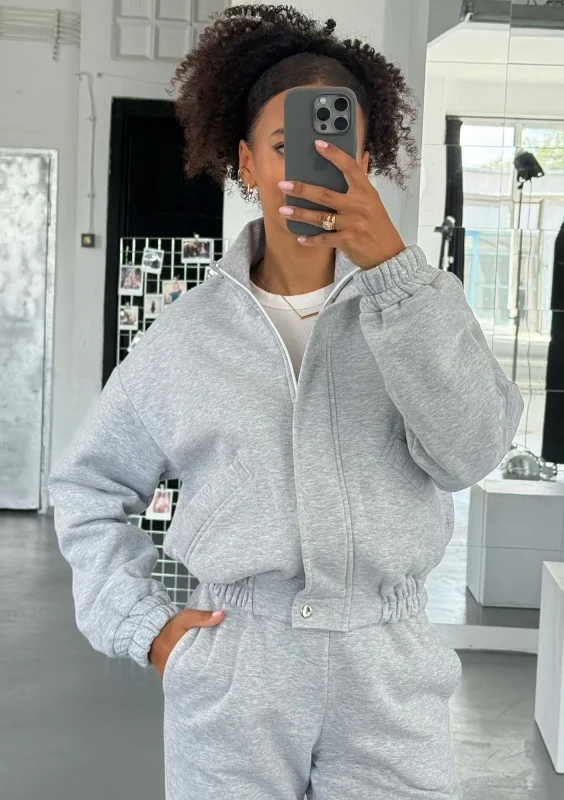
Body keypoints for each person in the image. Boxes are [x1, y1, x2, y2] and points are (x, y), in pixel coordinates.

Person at [48, 5, 524, 800]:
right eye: (286, 145)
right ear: (246, 162)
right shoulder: (189, 335)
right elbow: (86, 486)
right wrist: (147, 628)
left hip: (388, 677)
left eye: (338, 147)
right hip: (236, 672)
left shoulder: (424, 308)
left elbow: (470, 453)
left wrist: (394, 273)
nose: (312, 165)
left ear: (365, 160)